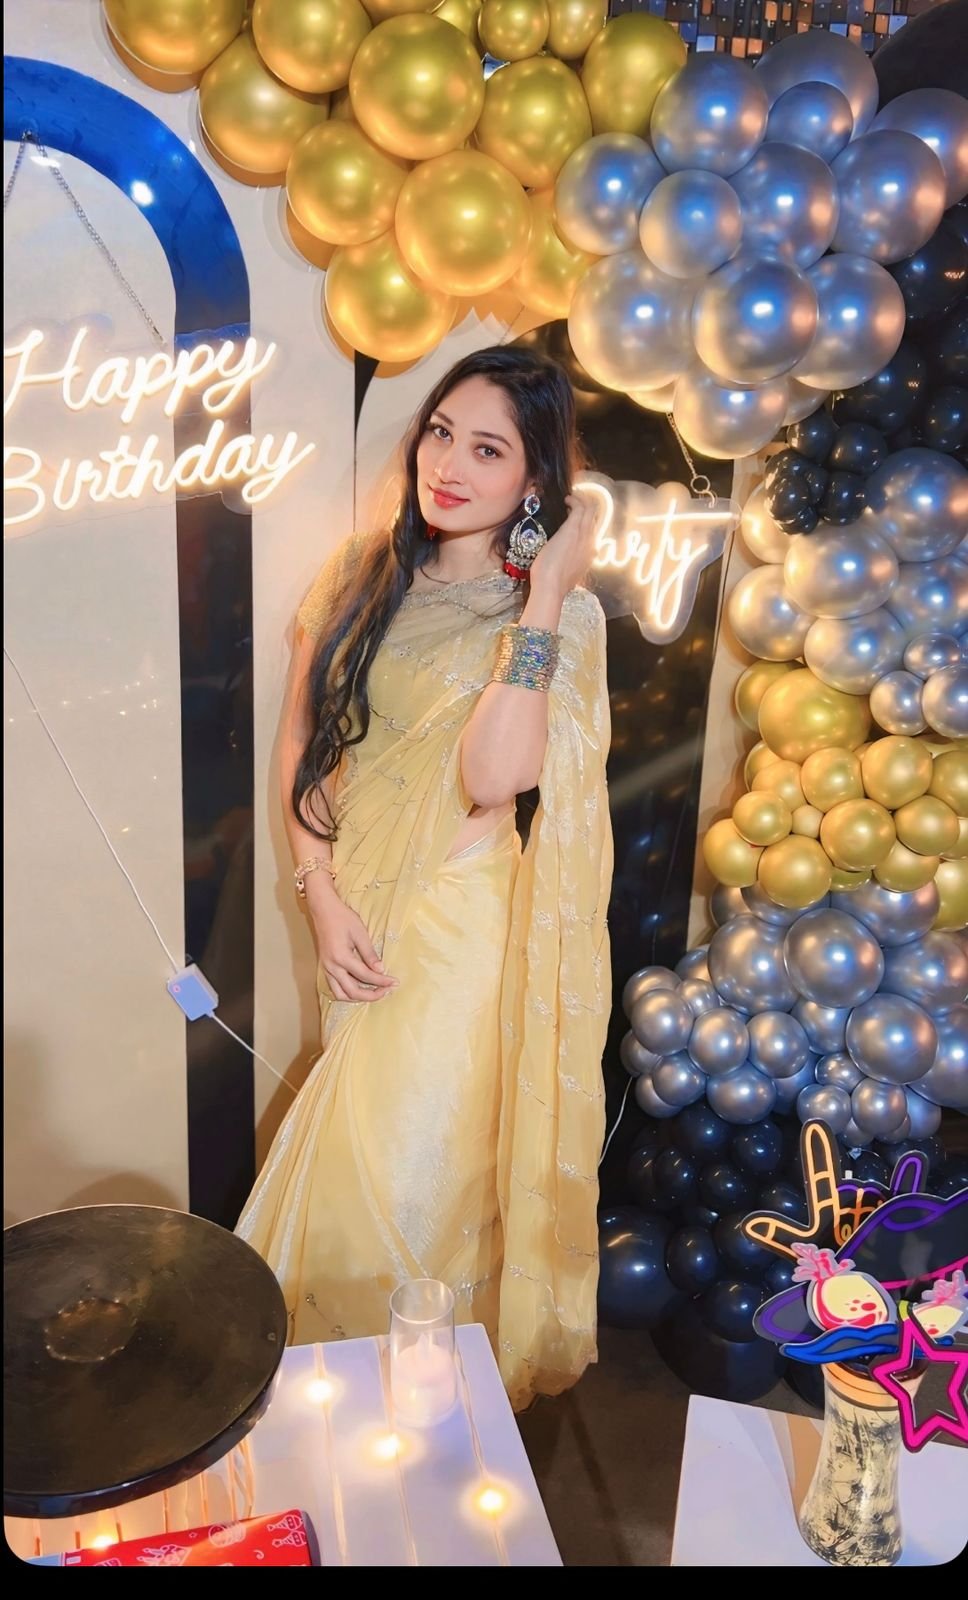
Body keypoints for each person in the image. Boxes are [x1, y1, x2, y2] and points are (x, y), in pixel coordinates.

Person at [238, 347, 613, 1411]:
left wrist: (543, 596)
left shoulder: (557, 615)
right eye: (441, 431)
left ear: (534, 482)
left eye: (487, 449)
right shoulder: (362, 572)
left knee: (406, 1176)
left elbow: (494, 777)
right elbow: (302, 742)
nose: (447, 464)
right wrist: (316, 891)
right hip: (353, 901)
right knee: (355, 1153)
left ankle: (402, 1411)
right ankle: (344, 1416)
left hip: (455, 938)